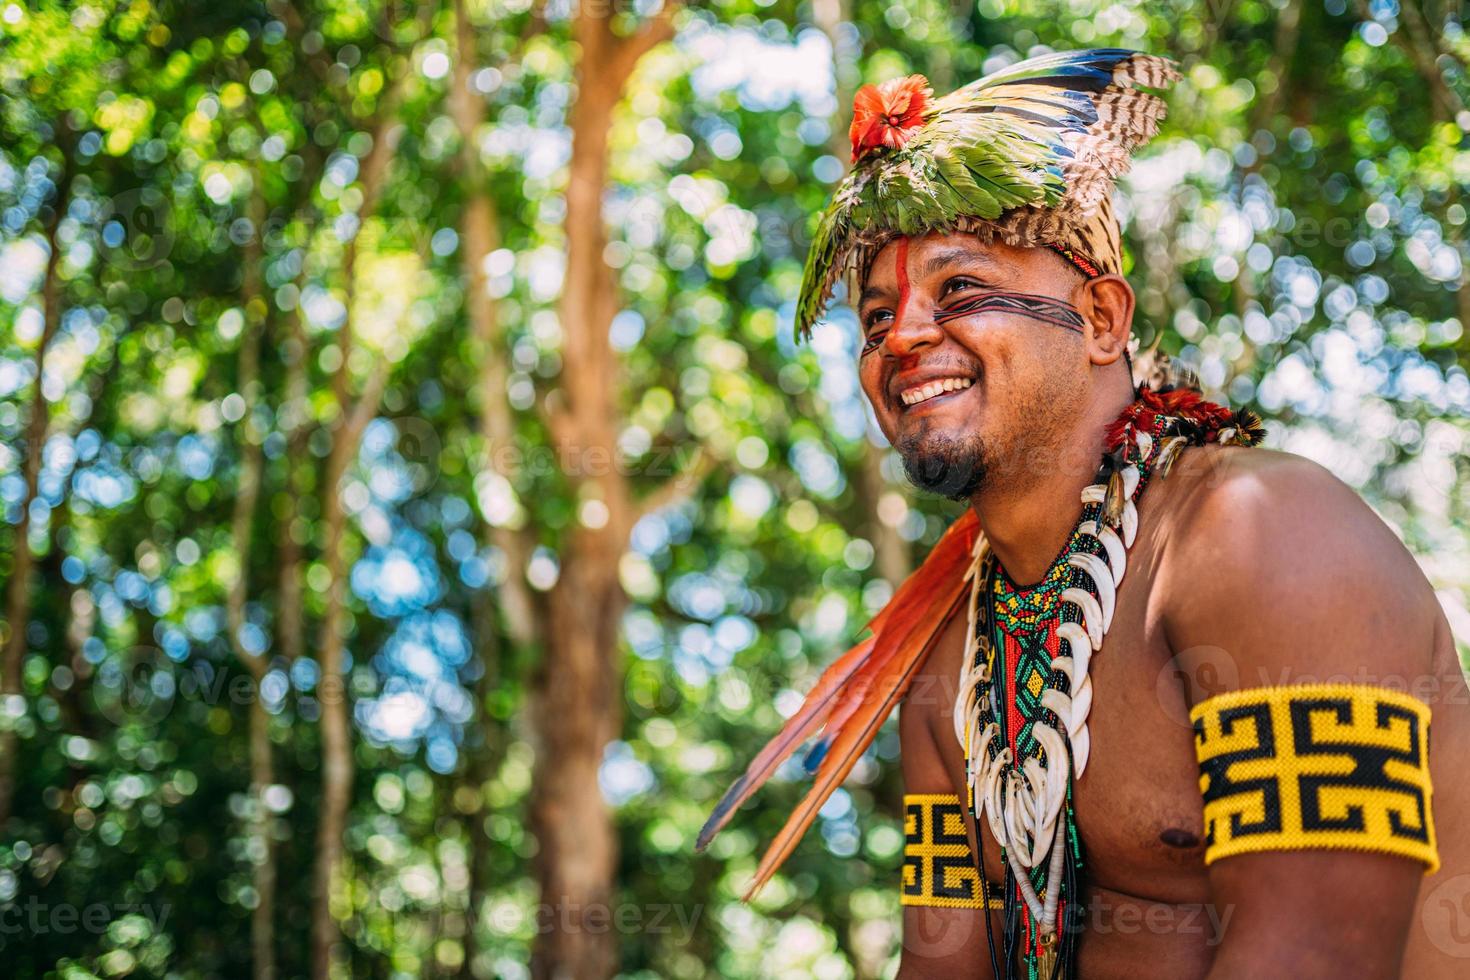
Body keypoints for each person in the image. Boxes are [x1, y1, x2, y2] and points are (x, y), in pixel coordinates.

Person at [697, 49, 1468, 978]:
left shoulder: (1264, 537)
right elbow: (942, 969)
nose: (900, 337)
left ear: (1102, 318)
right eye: (873, 320)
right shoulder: (948, 662)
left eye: (963, 290)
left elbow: (1320, 958)